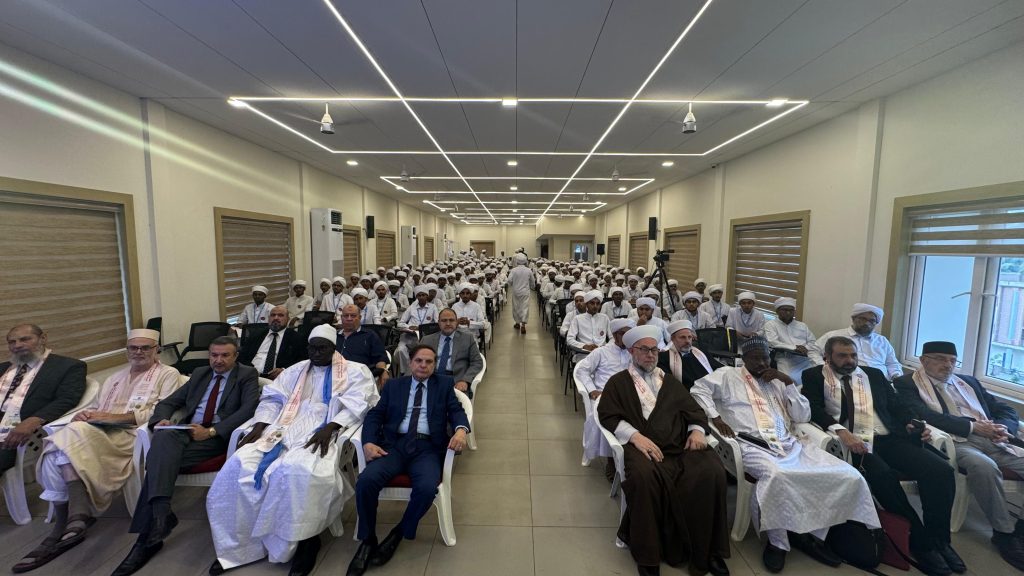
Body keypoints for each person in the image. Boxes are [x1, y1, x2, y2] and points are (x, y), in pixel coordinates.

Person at [691, 337, 878, 573]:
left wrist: (788, 383)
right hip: (751, 445)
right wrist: (715, 416)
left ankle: (811, 535)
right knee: (777, 476)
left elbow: (802, 416)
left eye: (765, 358)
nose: (761, 363)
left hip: (790, 443)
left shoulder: (778, 380)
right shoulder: (728, 375)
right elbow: (698, 389)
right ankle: (777, 542)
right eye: (755, 358)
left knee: (846, 473)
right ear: (744, 358)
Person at [206, 324, 379, 576]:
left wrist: (331, 426)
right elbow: (272, 398)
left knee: (297, 470)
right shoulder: (296, 370)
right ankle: (238, 547)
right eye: (312, 348)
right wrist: (260, 424)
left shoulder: (355, 371)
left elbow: (361, 404)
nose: (316, 353)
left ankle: (306, 542)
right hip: (283, 427)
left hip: (322, 431)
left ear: (334, 348)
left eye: (322, 348)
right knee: (238, 466)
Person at [13, 329, 179, 573]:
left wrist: (113, 418)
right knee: (59, 448)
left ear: (157, 350)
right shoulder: (114, 378)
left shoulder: (168, 374)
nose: (138, 352)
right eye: (133, 348)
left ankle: (65, 522)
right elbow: (96, 407)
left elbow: (163, 411)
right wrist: (86, 415)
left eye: (145, 347)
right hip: (98, 432)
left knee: (60, 444)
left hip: (131, 435)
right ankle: (75, 518)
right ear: (127, 351)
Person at [803, 336, 962, 576]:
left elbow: (897, 406)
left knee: (941, 471)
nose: (849, 361)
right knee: (884, 477)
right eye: (842, 356)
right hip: (855, 443)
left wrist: (911, 422)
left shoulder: (873, 375)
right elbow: (813, 409)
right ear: (827, 357)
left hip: (890, 438)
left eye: (853, 355)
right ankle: (921, 543)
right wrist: (841, 431)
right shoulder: (814, 376)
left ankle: (940, 540)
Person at [111, 336, 260, 576]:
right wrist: (160, 420)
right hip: (188, 431)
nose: (218, 360)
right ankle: (161, 514)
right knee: (164, 436)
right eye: (214, 355)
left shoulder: (246, 375)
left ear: (236, 356)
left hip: (216, 438)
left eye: (225, 355)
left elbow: (248, 410)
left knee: (158, 463)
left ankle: (146, 540)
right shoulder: (200, 374)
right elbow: (168, 403)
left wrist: (211, 431)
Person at [598, 325, 731, 576]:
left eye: (654, 350)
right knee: (643, 478)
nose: (650, 355)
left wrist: (697, 431)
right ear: (632, 351)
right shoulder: (618, 382)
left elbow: (694, 411)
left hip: (678, 445)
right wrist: (635, 436)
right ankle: (648, 554)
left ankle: (707, 550)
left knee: (712, 471)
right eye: (644, 350)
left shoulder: (668, 381)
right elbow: (608, 415)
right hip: (643, 447)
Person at [894, 341, 1024, 571]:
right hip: (956, 442)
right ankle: (1004, 533)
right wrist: (973, 427)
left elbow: (1006, 410)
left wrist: (1004, 427)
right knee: (984, 467)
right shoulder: (906, 384)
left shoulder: (968, 382)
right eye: (940, 359)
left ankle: (1021, 528)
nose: (948, 365)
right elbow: (923, 415)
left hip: (994, 440)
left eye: (952, 360)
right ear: (923, 360)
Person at [347, 345, 470, 576]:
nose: (423, 365)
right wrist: (368, 442)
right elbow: (375, 415)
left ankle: (399, 532)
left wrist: (461, 430)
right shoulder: (394, 385)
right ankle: (368, 539)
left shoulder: (443, 384)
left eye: (429, 362)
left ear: (434, 365)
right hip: (394, 446)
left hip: (427, 448)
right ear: (410, 363)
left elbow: (456, 410)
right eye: (419, 361)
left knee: (426, 488)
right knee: (365, 481)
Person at [0, 324, 86, 477]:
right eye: (12, 342)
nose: (17, 345)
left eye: (25, 339)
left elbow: (67, 399)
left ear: (43, 338)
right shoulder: (3, 368)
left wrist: (34, 420)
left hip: (15, 431)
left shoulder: (68, 367)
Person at [574, 318, 635, 477]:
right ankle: (612, 460)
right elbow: (582, 370)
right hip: (604, 395)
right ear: (615, 335)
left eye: (630, 334)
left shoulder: (634, 352)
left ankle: (631, 457)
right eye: (624, 334)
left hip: (629, 395)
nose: (628, 337)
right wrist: (592, 389)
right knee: (612, 417)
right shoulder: (601, 352)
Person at [817, 303, 902, 380]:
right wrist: (824, 368)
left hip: (881, 382)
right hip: (848, 381)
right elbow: (814, 351)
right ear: (853, 318)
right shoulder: (833, 336)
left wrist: (896, 376)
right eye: (863, 319)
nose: (867, 323)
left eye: (872, 321)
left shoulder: (882, 341)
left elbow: (892, 363)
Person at [418, 309, 484, 398]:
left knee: (455, 404)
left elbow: (477, 362)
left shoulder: (467, 339)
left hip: (456, 381)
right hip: (430, 379)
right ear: (439, 323)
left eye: (451, 320)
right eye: (444, 320)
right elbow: (415, 361)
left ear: (456, 322)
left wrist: (465, 380)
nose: (448, 323)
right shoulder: (427, 340)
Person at [763, 297, 822, 385]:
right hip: (785, 359)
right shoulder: (771, 325)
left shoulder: (802, 325)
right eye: (785, 310)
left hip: (805, 358)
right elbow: (772, 342)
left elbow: (812, 341)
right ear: (777, 311)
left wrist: (805, 348)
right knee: (788, 382)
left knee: (817, 376)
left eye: (791, 310)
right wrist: (794, 348)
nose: (788, 313)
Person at [239, 305, 305, 379]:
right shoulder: (256, 334)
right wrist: (249, 369)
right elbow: (242, 356)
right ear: (269, 318)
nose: (276, 318)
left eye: (280, 315)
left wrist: (284, 370)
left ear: (287, 319)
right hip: (250, 376)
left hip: (278, 379)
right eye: (273, 315)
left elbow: (302, 361)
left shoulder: (296, 338)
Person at [657, 320, 723, 389]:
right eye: (682, 337)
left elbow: (719, 368)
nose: (687, 341)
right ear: (673, 339)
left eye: (689, 337)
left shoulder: (701, 353)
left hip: (712, 388)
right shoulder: (664, 358)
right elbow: (670, 385)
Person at [335, 305, 390, 387]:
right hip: (335, 378)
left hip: (361, 380)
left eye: (353, 316)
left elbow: (380, 357)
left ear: (360, 317)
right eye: (346, 316)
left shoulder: (370, 335)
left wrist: (384, 371)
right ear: (341, 318)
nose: (349, 319)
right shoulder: (334, 336)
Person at [393, 287, 440, 375]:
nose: (421, 297)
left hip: (426, 337)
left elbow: (437, 324)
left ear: (427, 296)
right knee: (400, 350)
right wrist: (409, 327)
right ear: (416, 297)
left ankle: (424, 372)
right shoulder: (411, 307)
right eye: (419, 295)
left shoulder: (433, 307)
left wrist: (422, 328)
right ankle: (406, 373)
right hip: (410, 337)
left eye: (423, 295)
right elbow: (400, 323)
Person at [507, 253, 535, 334]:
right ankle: (523, 324)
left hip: (516, 291)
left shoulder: (513, 270)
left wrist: (512, 284)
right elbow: (532, 281)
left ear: (517, 261)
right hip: (525, 292)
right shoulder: (528, 270)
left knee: (516, 307)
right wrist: (532, 287)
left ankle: (517, 323)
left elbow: (509, 281)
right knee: (525, 307)